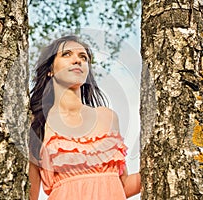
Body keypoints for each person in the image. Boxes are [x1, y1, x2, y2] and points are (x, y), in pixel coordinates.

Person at [29, 35, 141, 200]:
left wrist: (162, 162)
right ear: (50, 70)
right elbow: (30, 194)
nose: (77, 60)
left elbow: (123, 186)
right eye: (67, 54)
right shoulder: (37, 122)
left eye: (83, 57)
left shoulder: (108, 117)